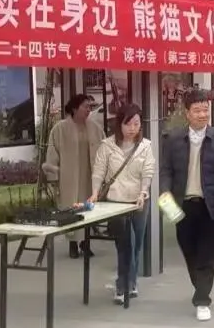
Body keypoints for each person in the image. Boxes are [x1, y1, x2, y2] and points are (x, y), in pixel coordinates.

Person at [160, 89, 214, 321]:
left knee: (207, 254)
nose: (203, 114)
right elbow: (166, 171)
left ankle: (202, 299)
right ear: (187, 113)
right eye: (197, 110)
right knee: (189, 251)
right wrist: (165, 193)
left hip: (210, 206)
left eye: (205, 110)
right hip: (182, 204)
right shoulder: (173, 139)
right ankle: (200, 286)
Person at [89, 104, 155, 305]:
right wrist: (95, 193)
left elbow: (148, 171)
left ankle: (131, 282)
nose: (132, 128)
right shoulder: (107, 146)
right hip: (115, 202)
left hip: (138, 201)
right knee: (124, 245)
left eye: (136, 123)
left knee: (136, 245)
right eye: (128, 124)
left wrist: (143, 192)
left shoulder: (145, 146)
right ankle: (122, 285)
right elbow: (99, 171)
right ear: (119, 124)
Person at [43, 94, 105, 259]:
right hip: (68, 178)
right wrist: (54, 176)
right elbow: (52, 154)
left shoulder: (95, 128)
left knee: (88, 209)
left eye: (90, 107)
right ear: (75, 108)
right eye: (85, 106)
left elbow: (105, 149)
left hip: (89, 176)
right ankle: (72, 244)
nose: (89, 110)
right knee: (71, 209)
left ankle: (85, 242)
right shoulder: (60, 129)